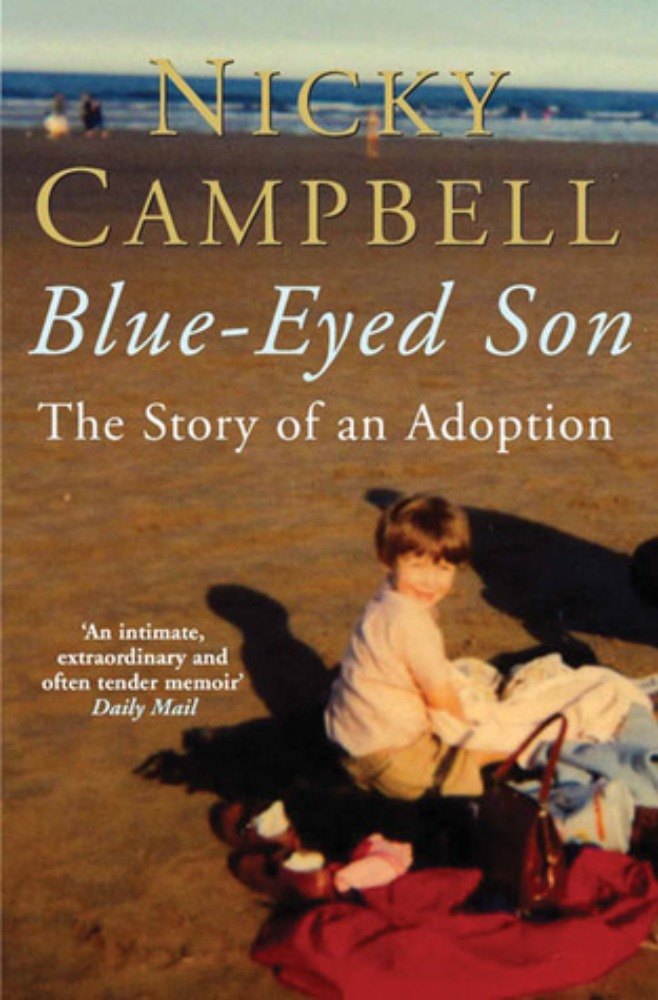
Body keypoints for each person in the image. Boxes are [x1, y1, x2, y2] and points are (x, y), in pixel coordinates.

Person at [325, 494, 505, 800]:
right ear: (386, 559)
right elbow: (441, 699)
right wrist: (473, 731)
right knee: (500, 746)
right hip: (392, 763)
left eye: (443, 568)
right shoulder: (412, 623)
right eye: (417, 565)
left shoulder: (385, 600)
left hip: (349, 743)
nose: (430, 581)